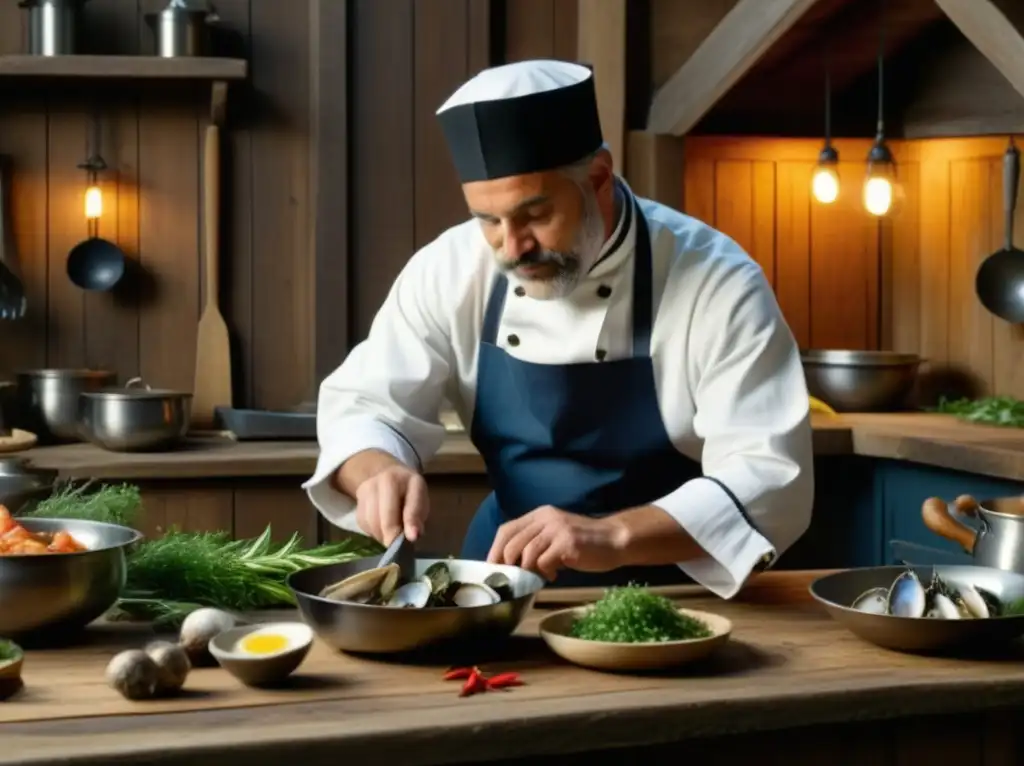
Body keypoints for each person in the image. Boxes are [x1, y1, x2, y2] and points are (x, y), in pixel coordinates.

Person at [303, 59, 814, 598]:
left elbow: (768, 475)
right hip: (503, 588)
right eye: (488, 221)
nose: (513, 247)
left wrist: (613, 535)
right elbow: (364, 405)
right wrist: (377, 469)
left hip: (675, 594)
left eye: (534, 215)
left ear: (597, 178)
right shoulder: (450, 269)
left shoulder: (717, 282)